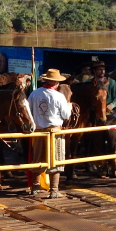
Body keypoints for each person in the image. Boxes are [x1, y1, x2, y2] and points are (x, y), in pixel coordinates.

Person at [26, 69, 73, 198]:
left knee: (38, 158)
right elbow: (66, 115)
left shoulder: (34, 94)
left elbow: (28, 111)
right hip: (54, 130)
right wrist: (69, 106)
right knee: (56, 159)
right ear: (57, 83)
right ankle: (54, 189)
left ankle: (35, 186)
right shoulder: (59, 96)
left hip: (39, 130)